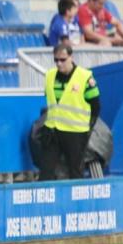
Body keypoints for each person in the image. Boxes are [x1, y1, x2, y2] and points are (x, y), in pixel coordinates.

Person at [39, 44, 100, 180]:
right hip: (52, 131)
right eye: (56, 60)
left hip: (75, 133)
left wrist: (88, 127)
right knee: (46, 172)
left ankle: (77, 202)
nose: (59, 64)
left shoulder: (84, 77)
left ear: (71, 57)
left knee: (75, 172)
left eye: (63, 60)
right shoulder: (49, 76)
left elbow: (95, 106)